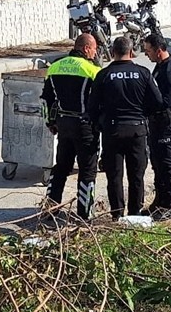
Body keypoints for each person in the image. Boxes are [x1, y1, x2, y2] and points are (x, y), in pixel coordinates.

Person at [87, 36, 164, 219]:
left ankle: (117, 215)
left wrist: (100, 123)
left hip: (112, 131)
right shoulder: (144, 73)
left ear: (113, 53)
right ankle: (135, 214)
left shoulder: (103, 75)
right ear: (131, 52)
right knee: (136, 176)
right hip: (137, 130)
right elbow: (158, 102)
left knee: (114, 177)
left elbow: (92, 107)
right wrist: (142, 113)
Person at [41, 33, 102, 220]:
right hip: (84, 126)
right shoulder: (92, 70)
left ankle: (50, 208)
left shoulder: (54, 68)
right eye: (94, 49)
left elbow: (46, 100)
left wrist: (50, 122)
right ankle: (85, 213)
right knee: (87, 170)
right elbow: (99, 102)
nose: (95, 52)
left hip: (63, 124)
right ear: (86, 48)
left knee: (61, 167)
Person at [142, 33, 171, 220]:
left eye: (148, 50)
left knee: (166, 164)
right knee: (157, 163)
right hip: (155, 122)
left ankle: (169, 204)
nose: (146, 54)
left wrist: (149, 103)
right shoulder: (159, 66)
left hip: (166, 122)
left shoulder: (169, 71)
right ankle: (159, 200)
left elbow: (167, 101)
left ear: (159, 51)